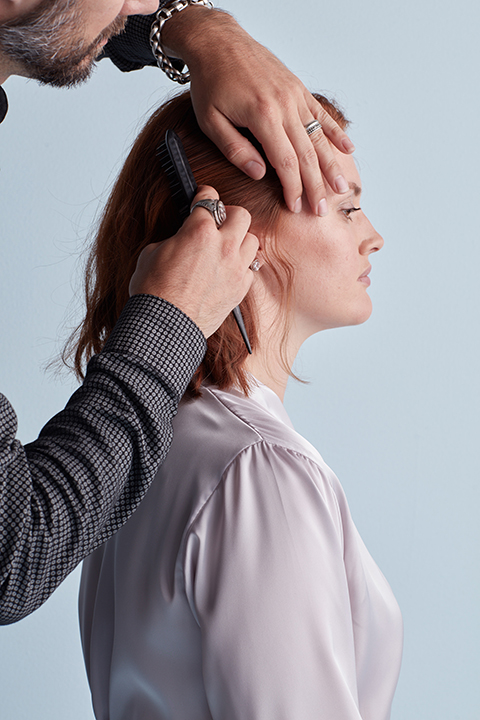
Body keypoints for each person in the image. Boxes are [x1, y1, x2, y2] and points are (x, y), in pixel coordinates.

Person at [0, 0, 357, 624]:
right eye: (347, 207)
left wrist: (198, 30)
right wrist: (167, 324)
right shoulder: (261, 469)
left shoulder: (191, 451)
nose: (143, 3)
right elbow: (11, 554)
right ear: (251, 235)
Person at [78, 90, 403, 720]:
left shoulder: (136, 444)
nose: (374, 237)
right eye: (348, 208)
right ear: (235, 233)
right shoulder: (261, 470)